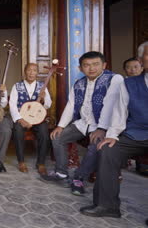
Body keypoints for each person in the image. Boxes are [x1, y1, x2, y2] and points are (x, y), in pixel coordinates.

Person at [80, 42, 148, 218]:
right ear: (142, 60)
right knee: (107, 149)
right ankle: (107, 205)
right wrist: (111, 135)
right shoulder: (130, 83)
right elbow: (120, 111)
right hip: (136, 134)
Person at [41, 52, 124, 196]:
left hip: (106, 126)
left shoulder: (114, 79)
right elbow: (71, 105)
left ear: (104, 65)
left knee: (96, 145)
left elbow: (110, 105)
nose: (91, 68)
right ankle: (61, 172)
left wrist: (102, 128)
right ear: (80, 68)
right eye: (86, 65)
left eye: (95, 64)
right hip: (83, 123)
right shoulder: (79, 83)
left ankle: (79, 178)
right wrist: (60, 126)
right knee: (57, 137)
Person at [9, 63, 51, 174]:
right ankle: (21, 161)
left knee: (44, 132)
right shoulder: (17, 86)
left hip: (37, 118)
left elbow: (48, 105)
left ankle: (41, 163)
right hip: (22, 118)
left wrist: (44, 99)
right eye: (29, 70)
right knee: (17, 131)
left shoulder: (42, 86)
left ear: (37, 73)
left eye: (34, 70)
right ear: (25, 71)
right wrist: (20, 119)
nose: (31, 73)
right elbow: (12, 104)